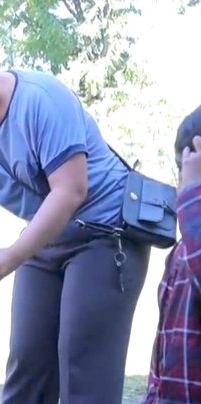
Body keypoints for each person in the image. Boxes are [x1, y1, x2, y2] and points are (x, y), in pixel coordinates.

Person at [0, 16, 152, 404]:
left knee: (83, 370)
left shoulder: (40, 99)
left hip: (105, 236)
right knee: (26, 366)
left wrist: (14, 255)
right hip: (44, 241)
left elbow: (70, 191)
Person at [144, 106, 201, 403]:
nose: (184, 184)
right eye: (183, 172)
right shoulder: (182, 250)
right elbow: (165, 341)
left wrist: (194, 195)